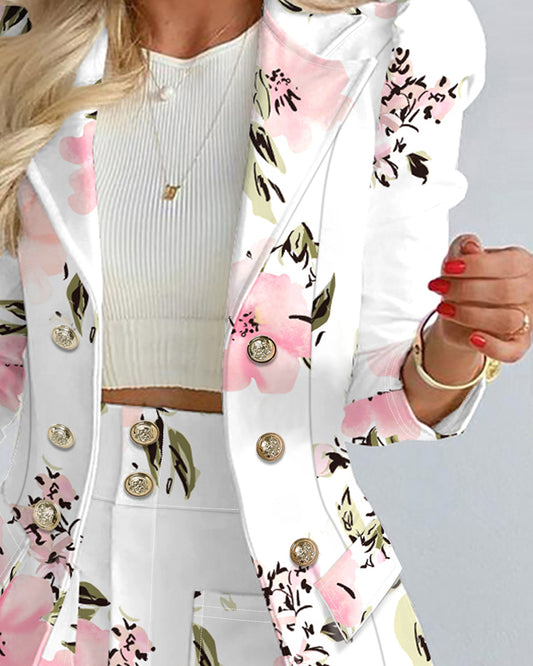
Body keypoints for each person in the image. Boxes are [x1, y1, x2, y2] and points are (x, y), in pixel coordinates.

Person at [0, 1, 531, 665]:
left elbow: (378, 392)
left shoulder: (397, 37)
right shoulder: (24, 37)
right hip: (48, 592)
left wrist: (462, 337)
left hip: (287, 603)